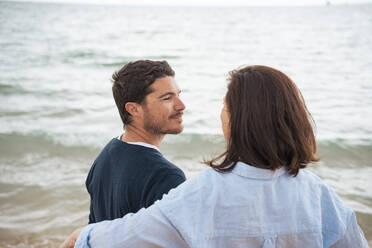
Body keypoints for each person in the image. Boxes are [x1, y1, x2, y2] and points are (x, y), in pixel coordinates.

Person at [60, 65, 368, 248]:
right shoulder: (319, 196)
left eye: (226, 104)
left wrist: (83, 237)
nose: (182, 105)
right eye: (168, 97)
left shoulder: (200, 194)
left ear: (239, 119)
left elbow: (133, 233)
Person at [86, 60, 186, 224]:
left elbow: (94, 229)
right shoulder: (166, 177)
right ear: (134, 109)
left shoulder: (105, 156)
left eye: (179, 95)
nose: (181, 106)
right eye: (167, 98)